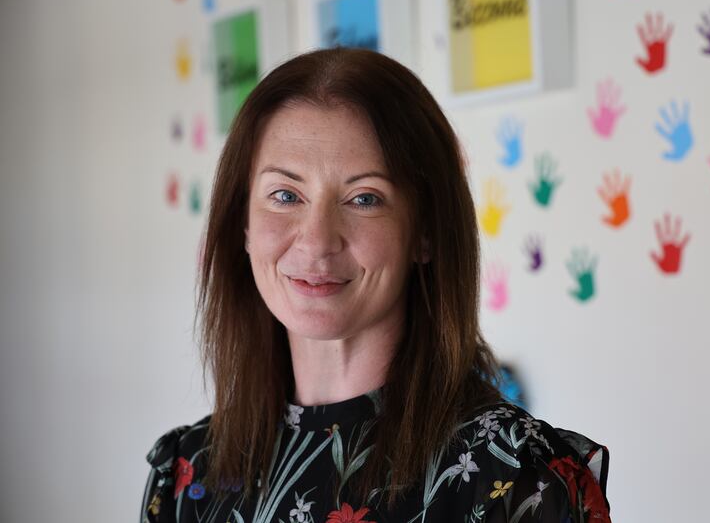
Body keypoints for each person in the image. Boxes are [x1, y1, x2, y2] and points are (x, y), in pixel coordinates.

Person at [141, 47, 612, 523]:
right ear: (242, 222)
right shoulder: (185, 476)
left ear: (424, 233)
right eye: (285, 195)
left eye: (364, 198)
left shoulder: (511, 476)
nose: (317, 240)